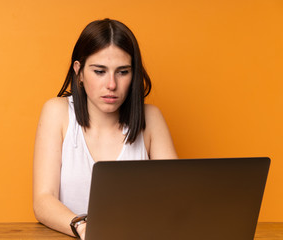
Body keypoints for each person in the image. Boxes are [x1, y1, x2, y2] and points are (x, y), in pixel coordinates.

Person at [33, 18, 177, 239]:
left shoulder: (151, 118)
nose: (111, 84)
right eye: (99, 71)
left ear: (134, 74)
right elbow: (43, 199)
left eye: (122, 72)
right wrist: (83, 227)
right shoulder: (57, 112)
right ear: (79, 72)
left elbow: (178, 195)